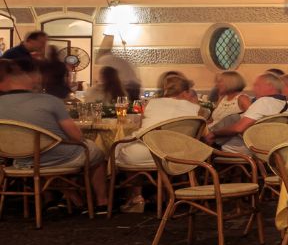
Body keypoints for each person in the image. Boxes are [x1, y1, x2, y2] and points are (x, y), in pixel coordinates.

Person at [0, 58, 108, 213]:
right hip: (58, 157)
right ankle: (102, 202)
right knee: (95, 152)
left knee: (41, 154)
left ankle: (64, 198)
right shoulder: (50, 101)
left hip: (21, 161)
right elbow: (77, 137)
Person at [111, 71, 201, 211]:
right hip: (179, 155)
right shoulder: (194, 108)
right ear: (185, 92)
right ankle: (168, 194)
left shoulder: (152, 104)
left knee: (125, 149)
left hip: (149, 152)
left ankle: (136, 196)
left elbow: (141, 127)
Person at [210, 73, 288, 154]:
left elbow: (238, 128)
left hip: (247, 147)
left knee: (206, 142)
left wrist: (214, 133)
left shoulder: (263, 102)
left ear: (270, 86)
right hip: (272, 147)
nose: (253, 89)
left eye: (257, 85)